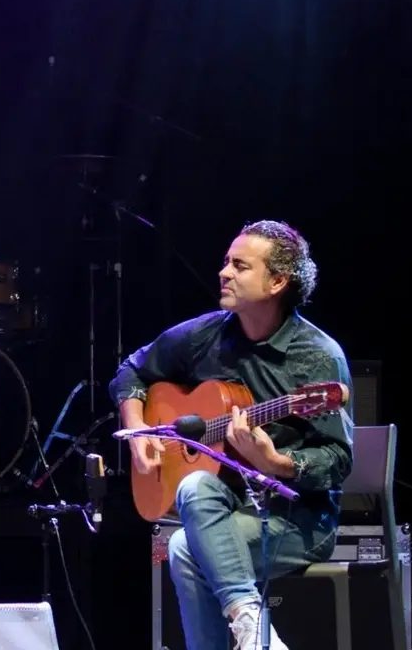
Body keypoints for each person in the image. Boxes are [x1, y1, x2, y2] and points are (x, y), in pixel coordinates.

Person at [108, 220, 354, 650]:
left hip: (294, 520)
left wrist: (276, 463)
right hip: (223, 506)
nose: (224, 273)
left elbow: (338, 459)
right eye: (226, 262)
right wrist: (139, 432)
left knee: (184, 548)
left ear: (277, 282)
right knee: (195, 486)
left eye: (240, 266)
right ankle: (251, 625)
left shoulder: (317, 357)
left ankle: (246, 621)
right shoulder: (206, 334)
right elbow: (131, 370)